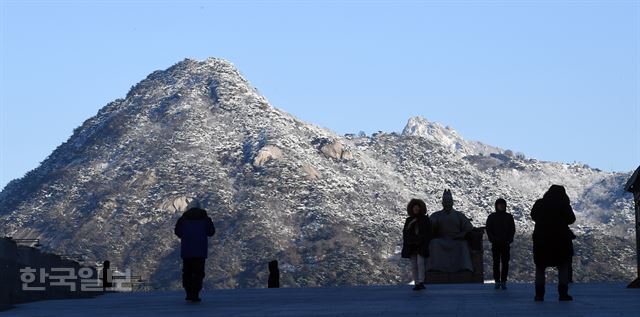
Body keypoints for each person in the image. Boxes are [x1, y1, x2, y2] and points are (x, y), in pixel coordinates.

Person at [531, 185, 576, 302]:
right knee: (563, 267)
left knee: (540, 268)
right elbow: (571, 219)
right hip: (560, 241)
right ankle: (563, 294)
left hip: (542, 241)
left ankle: (539, 295)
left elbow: (533, 216)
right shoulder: (564, 205)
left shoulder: (540, 203)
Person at [174, 198, 216, 302]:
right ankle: (196, 294)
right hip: (200, 251)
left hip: (187, 250)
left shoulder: (183, 220)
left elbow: (178, 232)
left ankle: (189, 293)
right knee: (198, 273)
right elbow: (211, 232)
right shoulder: (206, 219)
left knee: (187, 272)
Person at [427, 189, 474, 272]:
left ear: (452, 202)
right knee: (434, 243)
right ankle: (435, 268)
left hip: (456, 240)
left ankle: (464, 267)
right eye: (445, 201)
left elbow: (468, 227)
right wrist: (432, 224)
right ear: (442, 203)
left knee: (463, 245)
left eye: (449, 201)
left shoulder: (459, 215)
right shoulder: (436, 215)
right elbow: (430, 227)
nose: (447, 203)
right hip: (441, 239)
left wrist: (461, 235)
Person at [401, 198, 431, 291]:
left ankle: (421, 281)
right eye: (414, 207)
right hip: (411, 245)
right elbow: (405, 232)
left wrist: (421, 240)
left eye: (417, 207)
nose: (416, 209)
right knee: (414, 265)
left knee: (420, 263)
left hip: (421, 245)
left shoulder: (425, 219)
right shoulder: (409, 220)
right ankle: (417, 283)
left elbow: (428, 232)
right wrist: (411, 240)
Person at [485, 198, 516, 290]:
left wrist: (509, 240)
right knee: (496, 263)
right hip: (496, 243)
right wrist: (492, 239)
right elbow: (488, 229)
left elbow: (512, 229)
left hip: (505, 243)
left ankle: (503, 281)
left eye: (503, 204)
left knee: (505, 262)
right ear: (496, 206)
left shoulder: (509, 217)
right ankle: (497, 281)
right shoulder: (492, 217)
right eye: (499, 204)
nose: (501, 206)